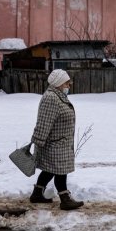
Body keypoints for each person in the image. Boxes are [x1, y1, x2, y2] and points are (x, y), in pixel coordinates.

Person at [29, 69, 84, 210]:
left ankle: (37, 194)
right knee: (60, 170)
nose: (69, 85)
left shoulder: (58, 96)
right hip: (54, 142)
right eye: (66, 82)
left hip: (61, 141)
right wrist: (38, 142)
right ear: (59, 83)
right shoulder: (51, 98)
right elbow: (44, 122)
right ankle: (65, 199)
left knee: (51, 169)